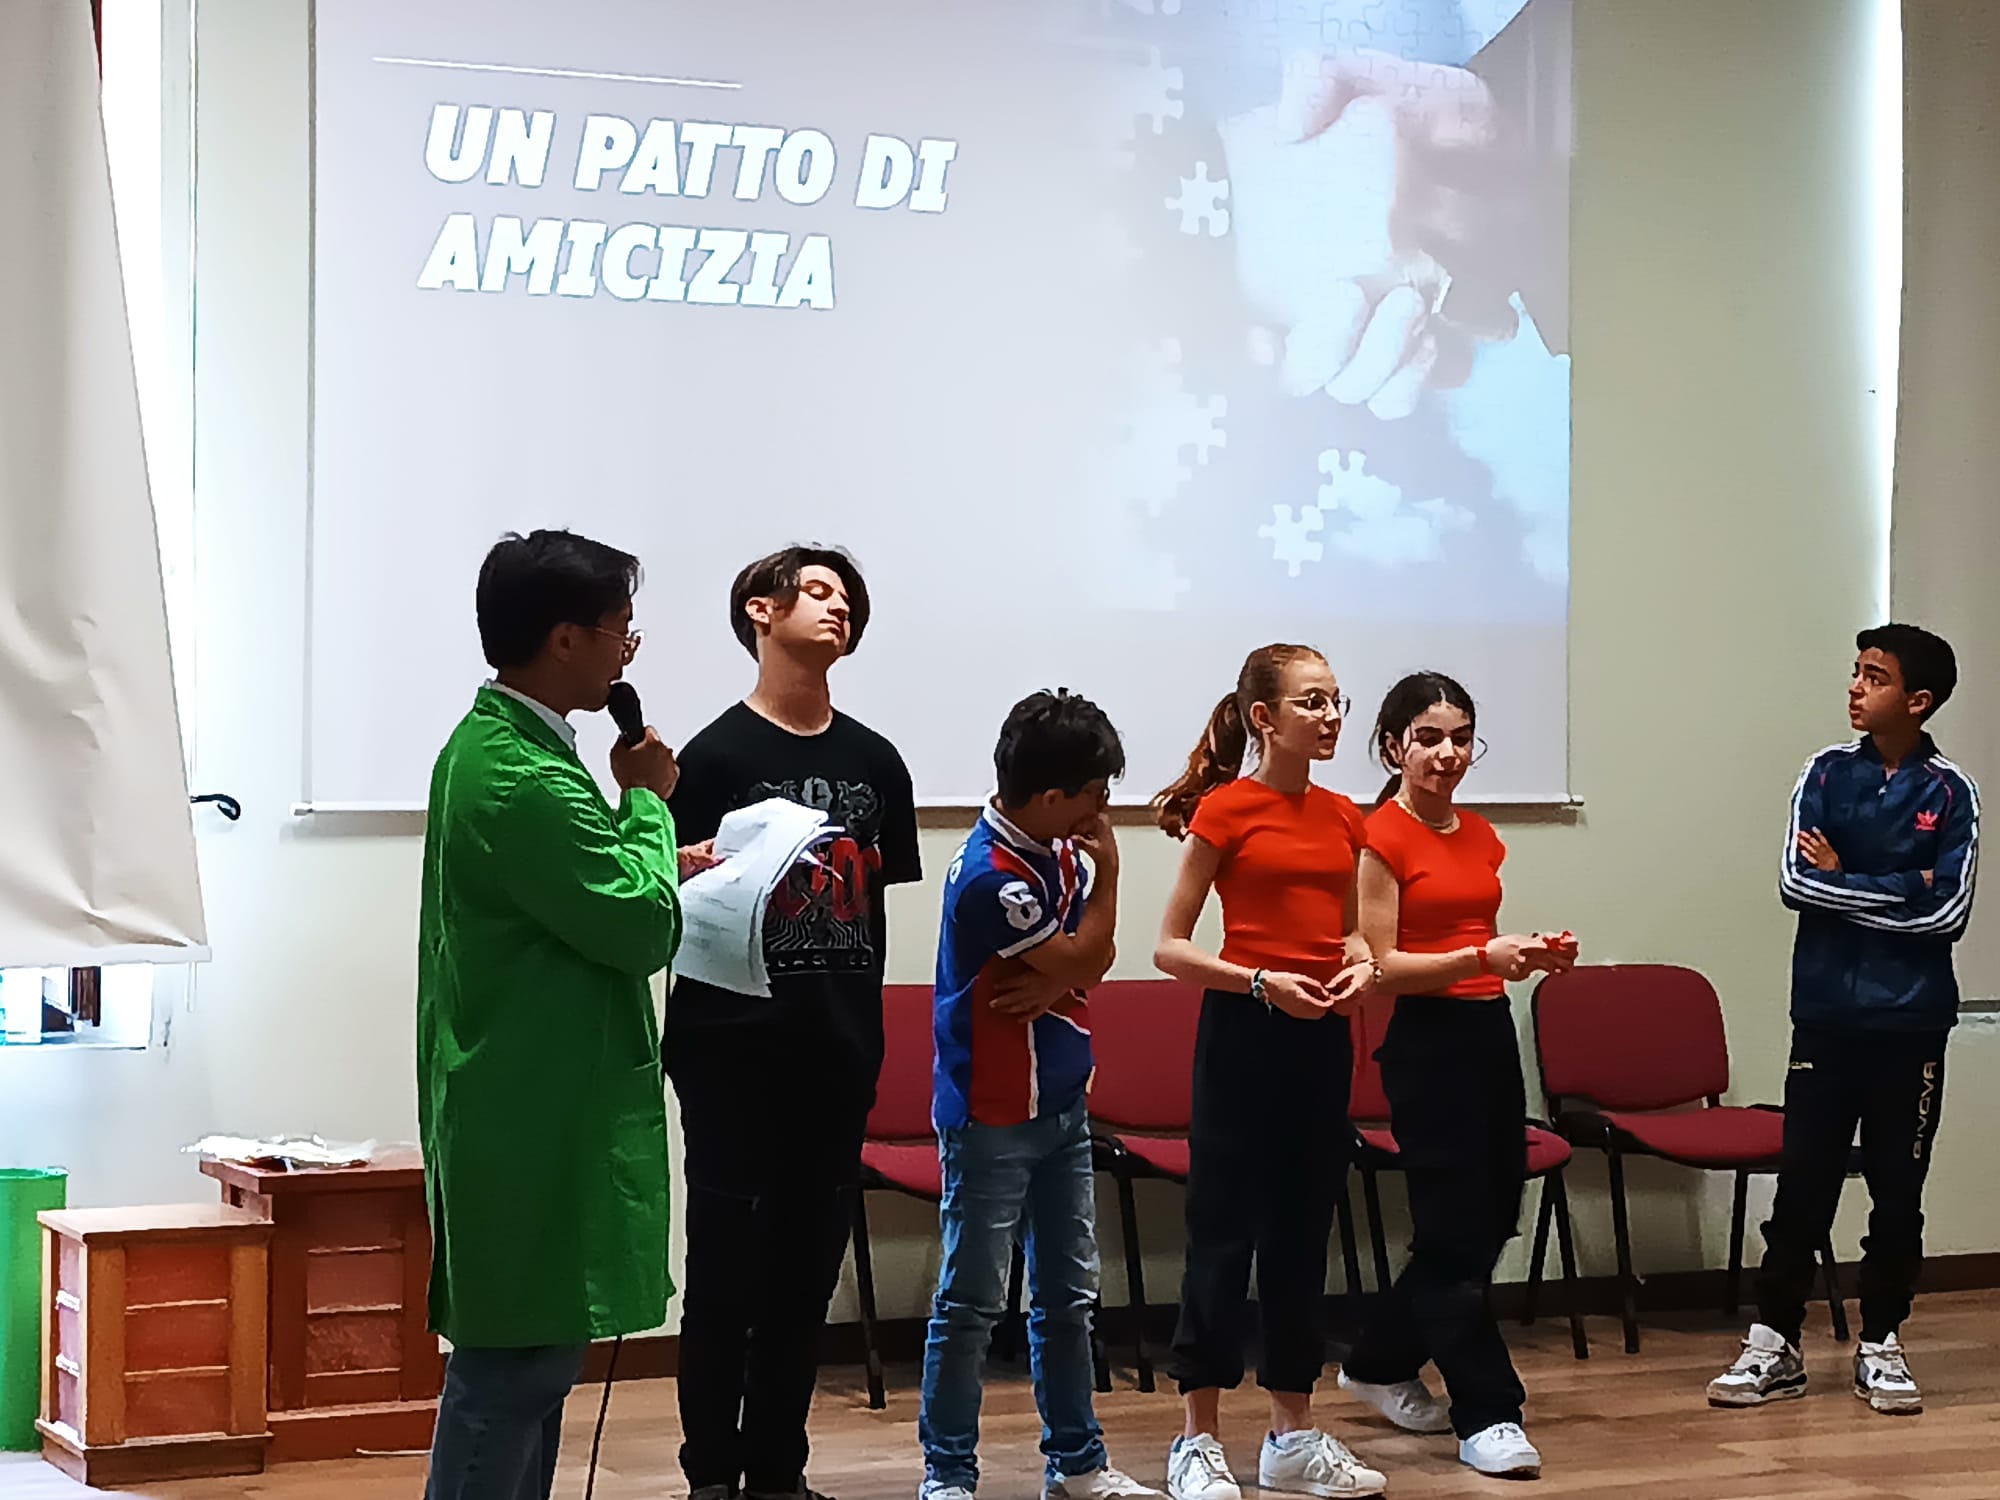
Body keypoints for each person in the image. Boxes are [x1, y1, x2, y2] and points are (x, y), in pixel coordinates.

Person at [417, 529, 689, 1500]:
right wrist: (648, 807)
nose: (628, 651)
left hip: (526, 1093)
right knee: (512, 1374)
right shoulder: (522, 777)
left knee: (531, 1368)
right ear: (566, 638)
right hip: (530, 1108)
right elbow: (641, 924)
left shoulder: (502, 746)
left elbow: (582, 890)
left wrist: (640, 844)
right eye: (622, 630)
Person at [667, 545, 922, 1500]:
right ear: (759, 611)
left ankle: (779, 1471)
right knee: (724, 1274)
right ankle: (710, 1475)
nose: (837, 607)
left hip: (837, 1049)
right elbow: (669, 899)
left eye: (848, 598)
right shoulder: (710, 758)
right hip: (730, 1050)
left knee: (804, 1277)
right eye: (816, 591)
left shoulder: (875, 762)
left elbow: (875, 908)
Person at [1707, 624, 1979, 1416]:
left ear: (1918, 701)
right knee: (1803, 1186)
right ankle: (1774, 1343)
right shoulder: (1824, 772)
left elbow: (1949, 914)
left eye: (1875, 677)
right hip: (1826, 1018)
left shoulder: (1951, 792)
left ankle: (1883, 1341)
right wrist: (1904, 884)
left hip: (1911, 1026)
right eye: (1856, 672)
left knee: (1898, 1193)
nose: (1856, 687)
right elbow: (1798, 883)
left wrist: (1849, 878)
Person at [1149, 644, 1387, 1500]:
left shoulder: (1344, 816)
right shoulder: (1226, 811)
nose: (1330, 717)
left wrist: (1363, 965)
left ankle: (1292, 1433)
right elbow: (1170, 947)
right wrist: (1259, 982)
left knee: (1300, 1232)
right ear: (1264, 717)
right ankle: (1198, 1439)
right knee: (1223, 1232)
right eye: (1312, 702)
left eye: (1336, 701)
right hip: (1245, 1031)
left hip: (1321, 1036)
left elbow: (1351, 931)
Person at [1336, 671, 1574, 1480]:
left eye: (1462, 738)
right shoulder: (1379, 837)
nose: (1448, 754)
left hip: (1485, 1030)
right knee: (1452, 1230)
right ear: (1393, 747)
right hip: (1426, 1042)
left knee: (1493, 1215)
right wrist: (1482, 957)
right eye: (1429, 739)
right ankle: (1489, 1412)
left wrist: (1528, 955)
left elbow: (1478, 940)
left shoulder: (1480, 834)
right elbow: (1384, 966)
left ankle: (1377, 1361)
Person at [920, 689, 1156, 1500]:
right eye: (1095, 792)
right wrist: (1110, 877)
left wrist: (1065, 973)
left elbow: (1082, 963)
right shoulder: (991, 877)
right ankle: (949, 1473)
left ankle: (1077, 1463)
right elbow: (1091, 958)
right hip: (992, 1113)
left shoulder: (1053, 846)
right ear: (1053, 796)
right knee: (971, 1303)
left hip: (1059, 1103)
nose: (1103, 810)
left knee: (1067, 1297)